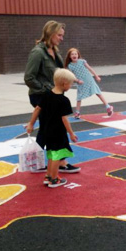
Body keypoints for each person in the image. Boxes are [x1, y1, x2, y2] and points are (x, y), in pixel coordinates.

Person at [24, 20, 80, 174]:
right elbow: (29, 78)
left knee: (49, 128)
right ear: (51, 33)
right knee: (50, 128)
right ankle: (48, 163)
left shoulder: (54, 51)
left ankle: (55, 162)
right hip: (41, 96)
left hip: (53, 96)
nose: (62, 38)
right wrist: (47, 91)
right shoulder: (38, 52)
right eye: (60, 35)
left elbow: (59, 72)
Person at [26, 69, 78, 188]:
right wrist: (71, 133)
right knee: (57, 156)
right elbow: (64, 119)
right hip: (58, 132)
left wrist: (31, 124)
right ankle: (53, 180)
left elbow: (37, 109)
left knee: (51, 154)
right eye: (70, 83)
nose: (70, 86)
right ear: (64, 83)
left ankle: (48, 176)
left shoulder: (46, 94)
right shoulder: (64, 100)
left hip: (46, 131)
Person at [64, 48, 114, 119]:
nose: (74, 55)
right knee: (79, 97)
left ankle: (108, 107)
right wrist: (77, 80)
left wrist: (96, 76)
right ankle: (77, 112)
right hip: (81, 82)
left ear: (78, 55)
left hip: (89, 80)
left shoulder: (82, 61)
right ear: (69, 56)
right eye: (72, 54)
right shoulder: (70, 66)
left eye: (75, 54)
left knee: (97, 92)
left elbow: (90, 68)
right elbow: (72, 76)